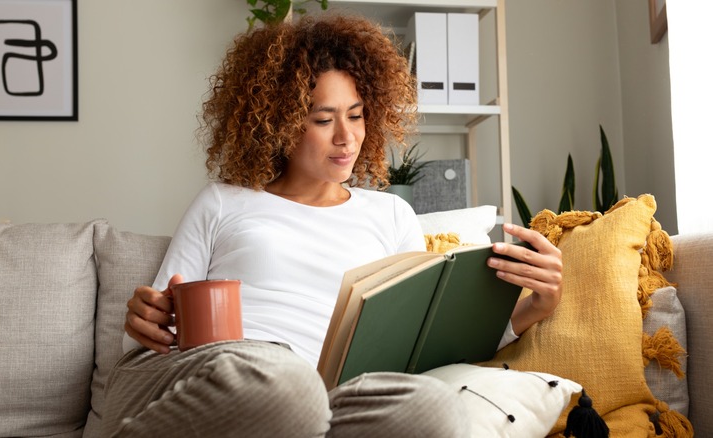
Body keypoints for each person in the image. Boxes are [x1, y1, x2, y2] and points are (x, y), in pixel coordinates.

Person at [104, 13, 562, 438]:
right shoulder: (223, 202)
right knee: (286, 384)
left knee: (432, 407)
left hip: (335, 393)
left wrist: (536, 306)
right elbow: (154, 328)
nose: (347, 138)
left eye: (357, 115)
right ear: (279, 124)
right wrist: (148, 317)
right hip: (235, 370)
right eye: (323, 119)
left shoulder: (391, 214)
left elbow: (432, 344)